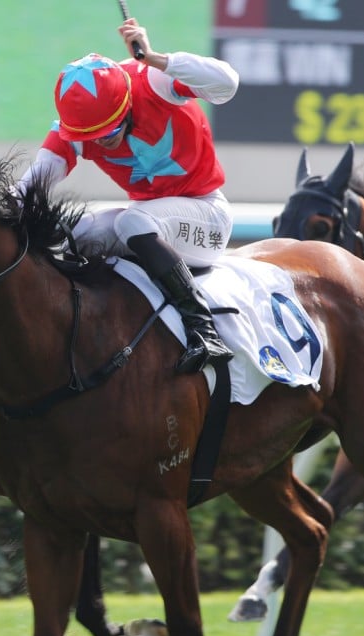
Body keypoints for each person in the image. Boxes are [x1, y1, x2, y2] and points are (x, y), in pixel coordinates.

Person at [19, 18, 240, 374]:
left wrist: (157, 58)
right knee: (69, 234)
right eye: (92, 137)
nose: (100, 142)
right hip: (151, 220)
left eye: (108, 133)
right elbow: (30, 186)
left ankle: (202, 327)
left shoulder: (152, 81)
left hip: (206, 215)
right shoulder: (76, 127)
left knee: (131, 220)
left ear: (125, 105)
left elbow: (227, 83)